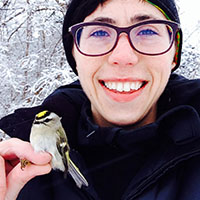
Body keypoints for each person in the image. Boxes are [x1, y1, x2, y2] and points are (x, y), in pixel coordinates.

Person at [0, 0, 200, 199]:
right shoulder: (18, 174)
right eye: (99, 32)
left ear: (174, 51)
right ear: (74, 53)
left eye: (147, 31)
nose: (123, 56)